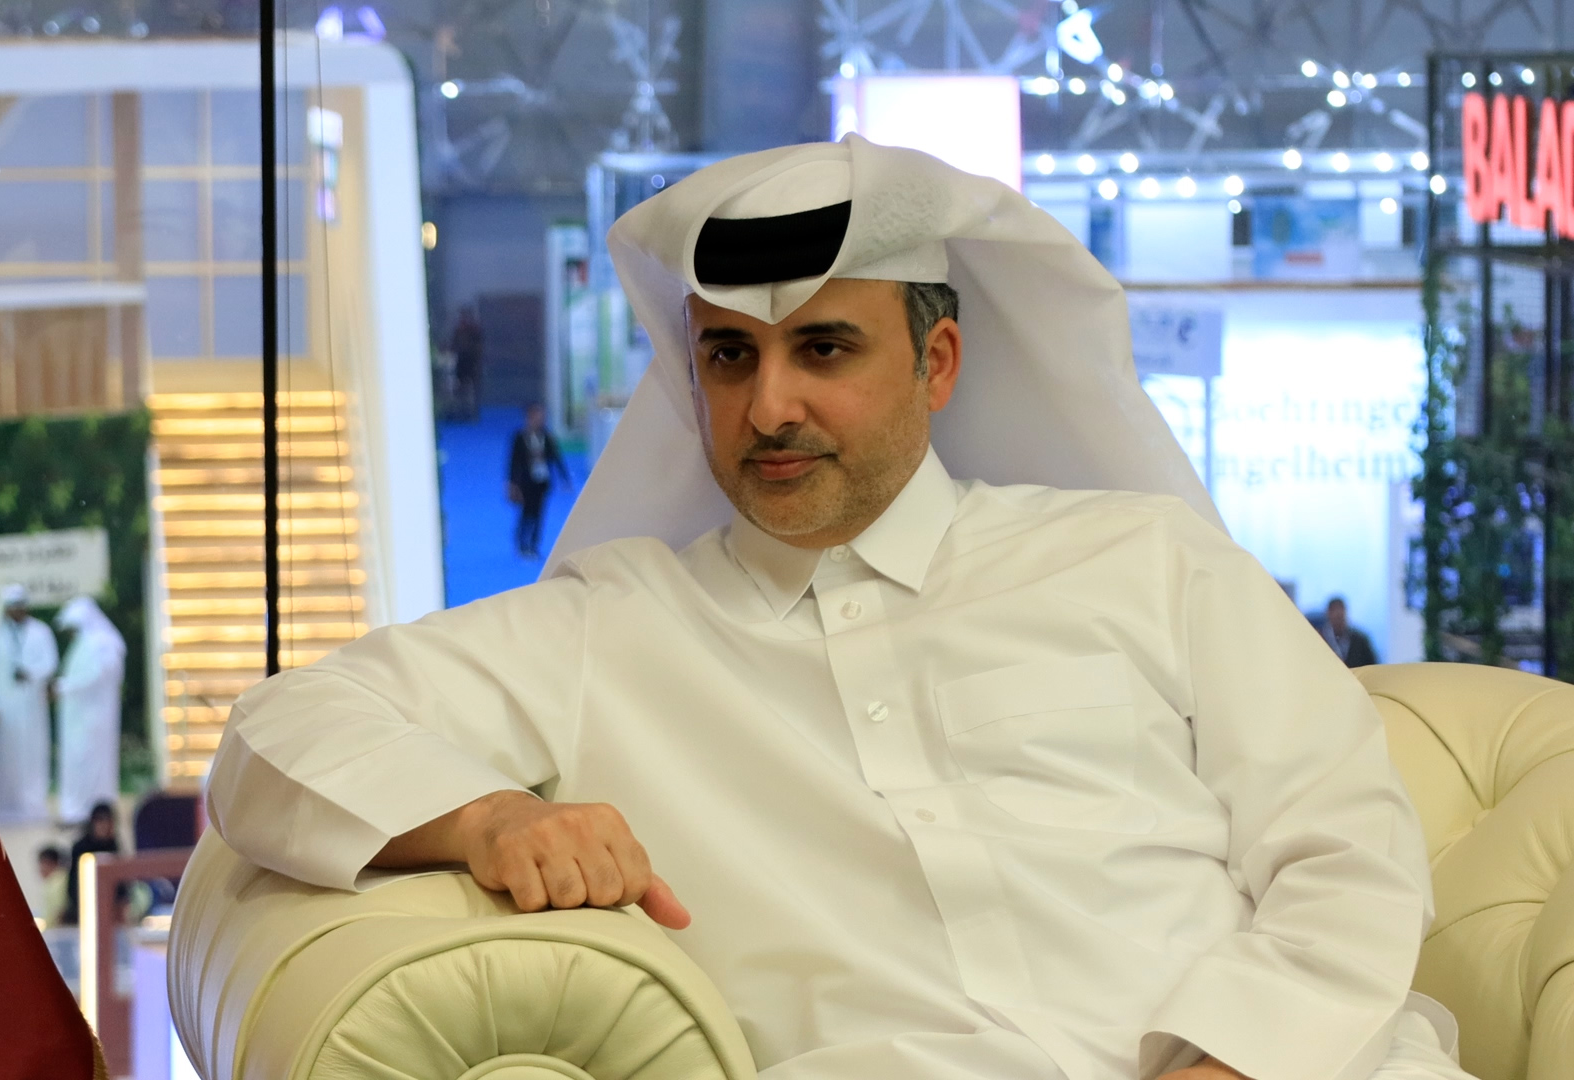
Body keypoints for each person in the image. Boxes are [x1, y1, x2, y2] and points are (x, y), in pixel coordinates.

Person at [199, 138, 1468, 1080]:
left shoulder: (1144, 559)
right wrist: (488, 818)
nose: (769, 408)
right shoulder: (610, 629)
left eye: (824, 349)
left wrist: (1236, 1060)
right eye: (729, 357)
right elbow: (275, 737)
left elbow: (1347, 846)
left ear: (937, 363)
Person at [0, 583, 58, 823]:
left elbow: (50, 662)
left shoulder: (41, 632)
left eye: (21, 605)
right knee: (7, 757)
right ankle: (7, 805)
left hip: (33, 707)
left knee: (34, 754)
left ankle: (33, 804)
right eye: (13, 606)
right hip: (5, 709)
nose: (18, 610)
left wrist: (30, 673)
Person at [53, 596, 126, 825]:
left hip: (94, 718)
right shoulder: (87, 643)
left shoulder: (102, 644)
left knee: (91, 763)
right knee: (79, 762)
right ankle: (78, 811)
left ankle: (91, 812)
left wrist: (64, 687)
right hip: (80, 719)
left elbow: (95, 677)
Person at [506, 402, 572, 558]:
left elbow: (556, 457)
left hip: (542, 482)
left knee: (539, 514)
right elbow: (513, 461)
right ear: (529, 418)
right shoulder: (520, 437)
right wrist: (512, 483)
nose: (539, 420)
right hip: (526, 482)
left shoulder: (547, 436)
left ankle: (534, 544)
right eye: (536, 416)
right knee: (526, 512)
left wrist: (564, 478)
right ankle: (522, 542)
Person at [63, 801, 120, 926]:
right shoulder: (80, 848)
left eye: (108, 822)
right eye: (100, 821)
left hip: (111, 908)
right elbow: (73, 883)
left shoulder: (114, 846)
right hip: (84, 905)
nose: (104, 826)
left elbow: (120, 882)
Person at [1321, 596, 1380, 668]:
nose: (1338, 614)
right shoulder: (1320, 638)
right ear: (1328, 613)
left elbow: (1373, 666)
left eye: (1341, 611)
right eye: (1334, 611)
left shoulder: (1360, 641)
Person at [450, 305, 484, 421]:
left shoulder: (475, 330)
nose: (463, 318)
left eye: (466, 316)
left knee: (474, 389)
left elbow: (479, 347)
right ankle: (461, 411)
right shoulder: (458, 331)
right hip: (461, 363)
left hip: (473, 363)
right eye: (462, 316)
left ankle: (473, 412)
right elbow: (454, 345)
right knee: (460, 389)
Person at [35, 845, 68, 923]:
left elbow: (59, 911)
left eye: (41, 864)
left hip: (59, 928)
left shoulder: (55, 882)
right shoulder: (63, 877)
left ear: (48, 863)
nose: (40, 869)